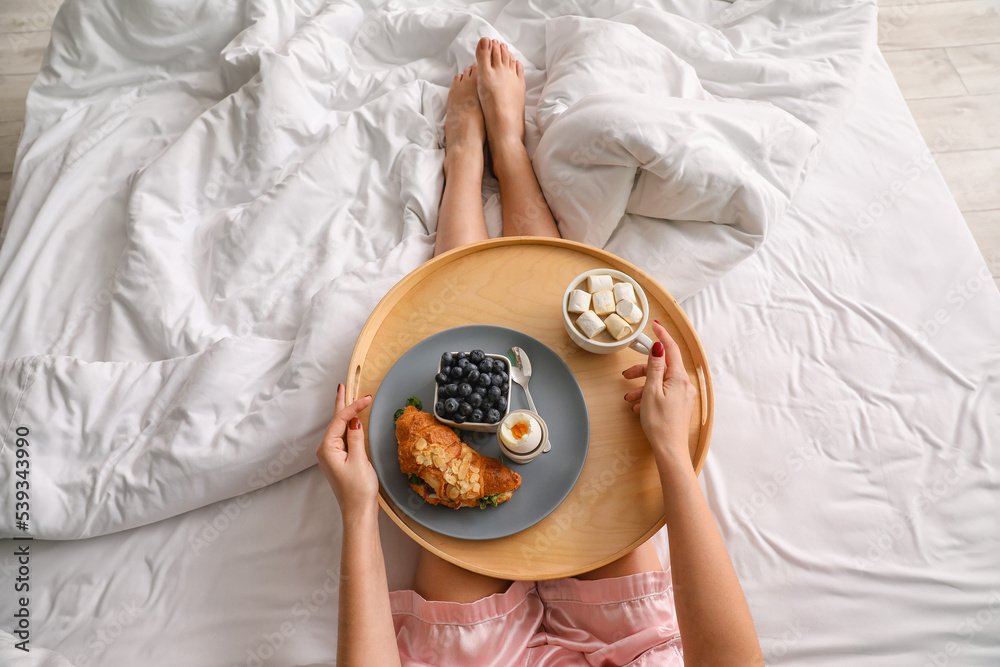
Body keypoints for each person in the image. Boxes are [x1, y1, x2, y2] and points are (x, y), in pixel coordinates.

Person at [315, 38, 764, 666]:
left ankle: (466, 166)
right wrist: (670, 452)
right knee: (537, 351)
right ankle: (510, 150)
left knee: (470, 354)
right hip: (626, 650)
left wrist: (360, 511)